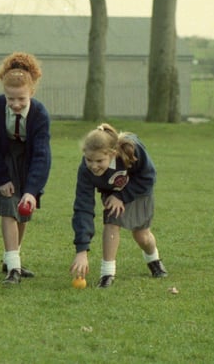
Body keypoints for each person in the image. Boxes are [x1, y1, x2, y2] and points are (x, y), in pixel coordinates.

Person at [0, 52, 51, 285]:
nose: (16, 104)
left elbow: (41, 155)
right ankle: (14, 269)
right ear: (4, 93)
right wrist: (0, 177)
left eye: (21, 99)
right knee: (9, 209)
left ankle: (11, 259)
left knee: (23, 210)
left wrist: (31, 190)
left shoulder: (39, 114)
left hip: (28, 162)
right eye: (11, 99)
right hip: (2, 160)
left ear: (32, 92)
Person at [69, 123, 168, 288]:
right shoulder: (86, 171)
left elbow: (148, 176)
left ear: (112, 154)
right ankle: (107, 274)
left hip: (138, 190)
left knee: (141, 235)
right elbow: (83, 207)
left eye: (99, 160)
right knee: (111, 222)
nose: (93, 166)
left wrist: (122, 196)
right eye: (89, 160)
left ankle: (153, 259)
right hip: (111, 192)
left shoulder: (132, 149)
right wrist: (82, 250)